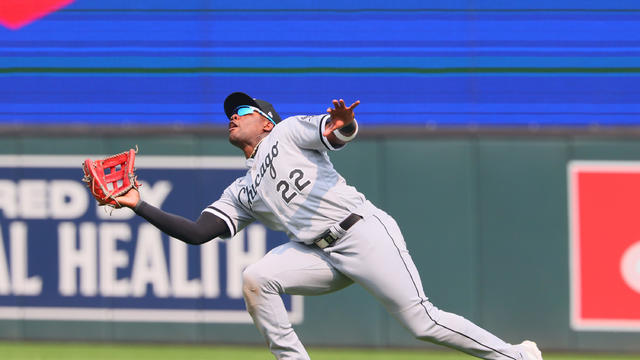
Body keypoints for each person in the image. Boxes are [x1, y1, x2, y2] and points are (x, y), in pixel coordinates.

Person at [114, 92, 543, 360]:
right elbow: (197, 232)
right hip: (318, 253)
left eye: (241, 110)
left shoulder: (283, 132)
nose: (232, 116)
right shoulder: (241, 190)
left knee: (422, 322)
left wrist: (345, 123)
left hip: (361, 232)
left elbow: (335, 133)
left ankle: (517, 357)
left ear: (265, 119)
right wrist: (137, 204)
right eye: (229, 113)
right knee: (256, 277)